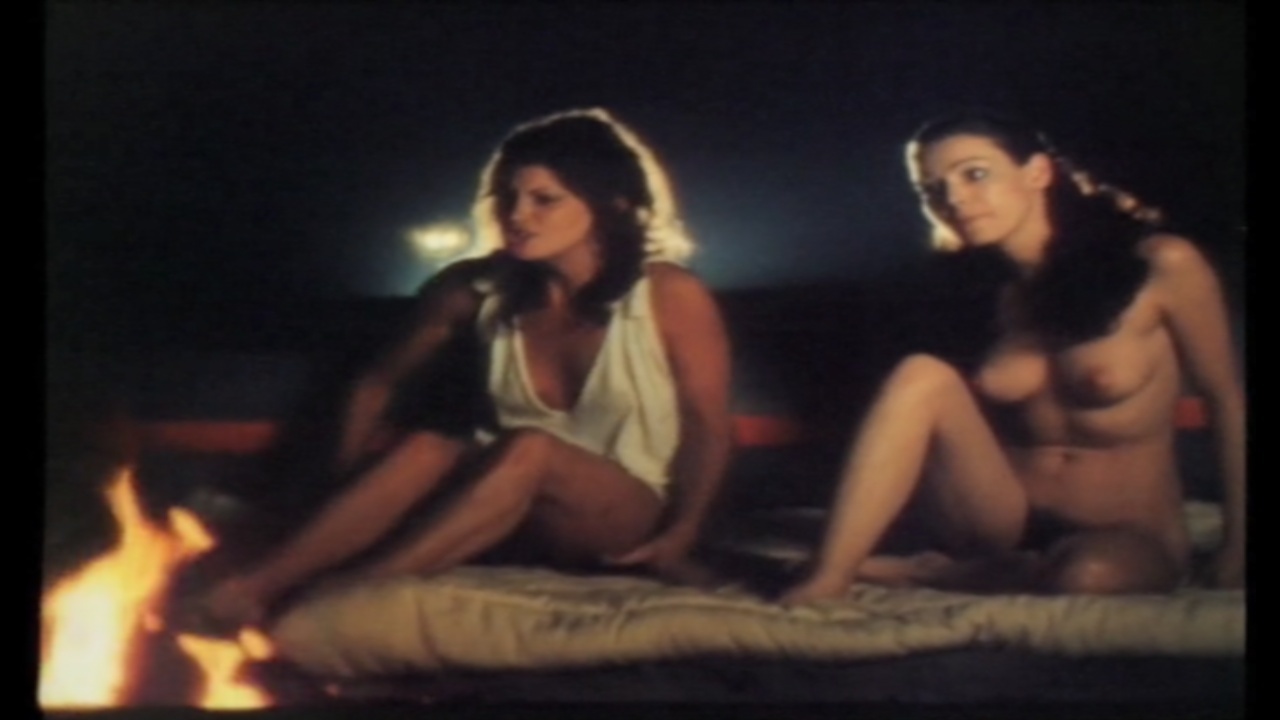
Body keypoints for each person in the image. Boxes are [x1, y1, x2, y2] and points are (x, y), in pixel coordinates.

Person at [198, 108, 734, 630]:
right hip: (503, 508)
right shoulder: (473, 289)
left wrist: (683, 533)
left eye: (544, 199)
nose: (517, 215)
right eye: (507, 197)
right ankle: (251, 589)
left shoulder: (669, 294)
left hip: (623, 515)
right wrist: (334, 484)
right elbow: (376, 383)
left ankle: (352, 594)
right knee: (430, 445)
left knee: (531, 446)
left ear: (612, 203)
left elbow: (707, 426)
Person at [780, 109, 1244, 603]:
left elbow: (1226, 400)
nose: (955, 198)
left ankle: (933, 574)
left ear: (1037, 173)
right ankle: (829, 575)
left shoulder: (1159, 264)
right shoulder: (974, 290)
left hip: (1125, 533)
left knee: (1086, 578)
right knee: (920, 375)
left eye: (975, 174)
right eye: (932, 190)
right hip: (999, 519)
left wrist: (1238, 545)